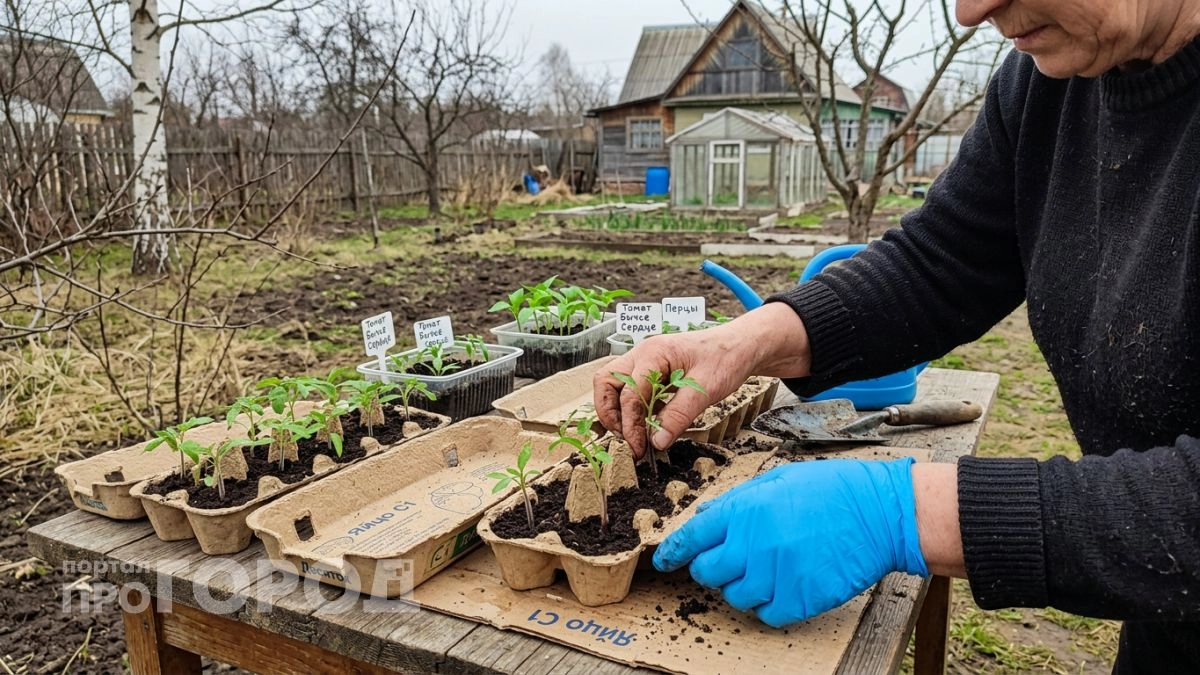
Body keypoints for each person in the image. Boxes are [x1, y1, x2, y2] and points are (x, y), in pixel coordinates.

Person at [592, 1, 1200, 672]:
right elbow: (940, 263)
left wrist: (905, 512)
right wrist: (743, 341)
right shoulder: (1050, 84)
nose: (971, 12)